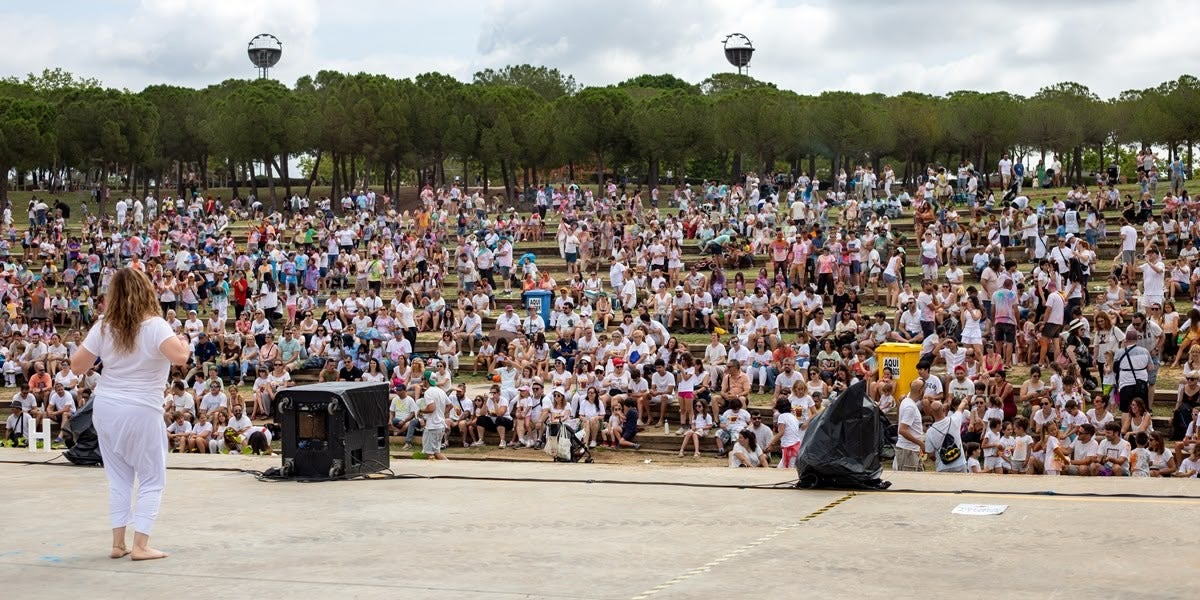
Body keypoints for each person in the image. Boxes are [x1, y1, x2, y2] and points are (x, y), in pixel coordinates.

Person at [69, 268, 191, 561]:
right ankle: (140, 546)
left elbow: (76, 366)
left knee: (119, 477)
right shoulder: (155, 326)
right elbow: (180, 357)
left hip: (106, 406)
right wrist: (184, 341)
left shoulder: (103, 326)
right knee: (152, 478)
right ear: (146, 291)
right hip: (141, 408)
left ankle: (117, 543)